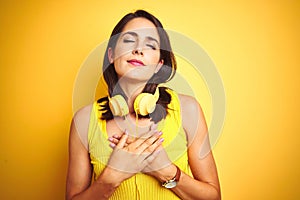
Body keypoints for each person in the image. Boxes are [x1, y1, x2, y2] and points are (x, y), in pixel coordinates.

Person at [66, 10, 221, 200]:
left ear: (158, 64)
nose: (138, 49)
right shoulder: (83, 120)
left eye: (150, 45)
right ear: (112, 54)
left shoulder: (188, 110)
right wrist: (111, 178)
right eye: (129, 41)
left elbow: (213, 197)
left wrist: (166, 171)